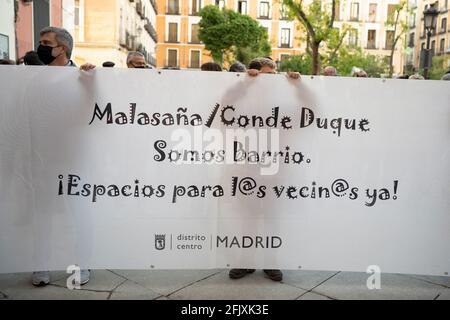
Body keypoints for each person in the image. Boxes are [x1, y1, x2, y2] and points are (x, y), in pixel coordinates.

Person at [31, 26, 94, 287]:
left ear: (62, 48)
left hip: (73, 159)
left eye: (46, 42)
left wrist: (92, 82)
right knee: (42, 215)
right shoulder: (32, 78)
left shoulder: (82, 77)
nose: (41, 47)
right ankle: (40, 266)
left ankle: (81, 264)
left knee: (78, 216)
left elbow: (94, 110)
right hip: (41, 158)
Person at [228, 57, 300, 283]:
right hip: (246, 166)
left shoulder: (281, 100)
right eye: (268, 75)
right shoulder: (243, 97)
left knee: (271, 217)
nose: (274, 79)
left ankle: (271, 262)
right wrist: (245, 82)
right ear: (255, 74)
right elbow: (224, 103)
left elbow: (310, 109)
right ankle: (245, 261)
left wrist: (298, 85)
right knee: (248, 217)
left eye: (275, 74)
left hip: (274, 167)